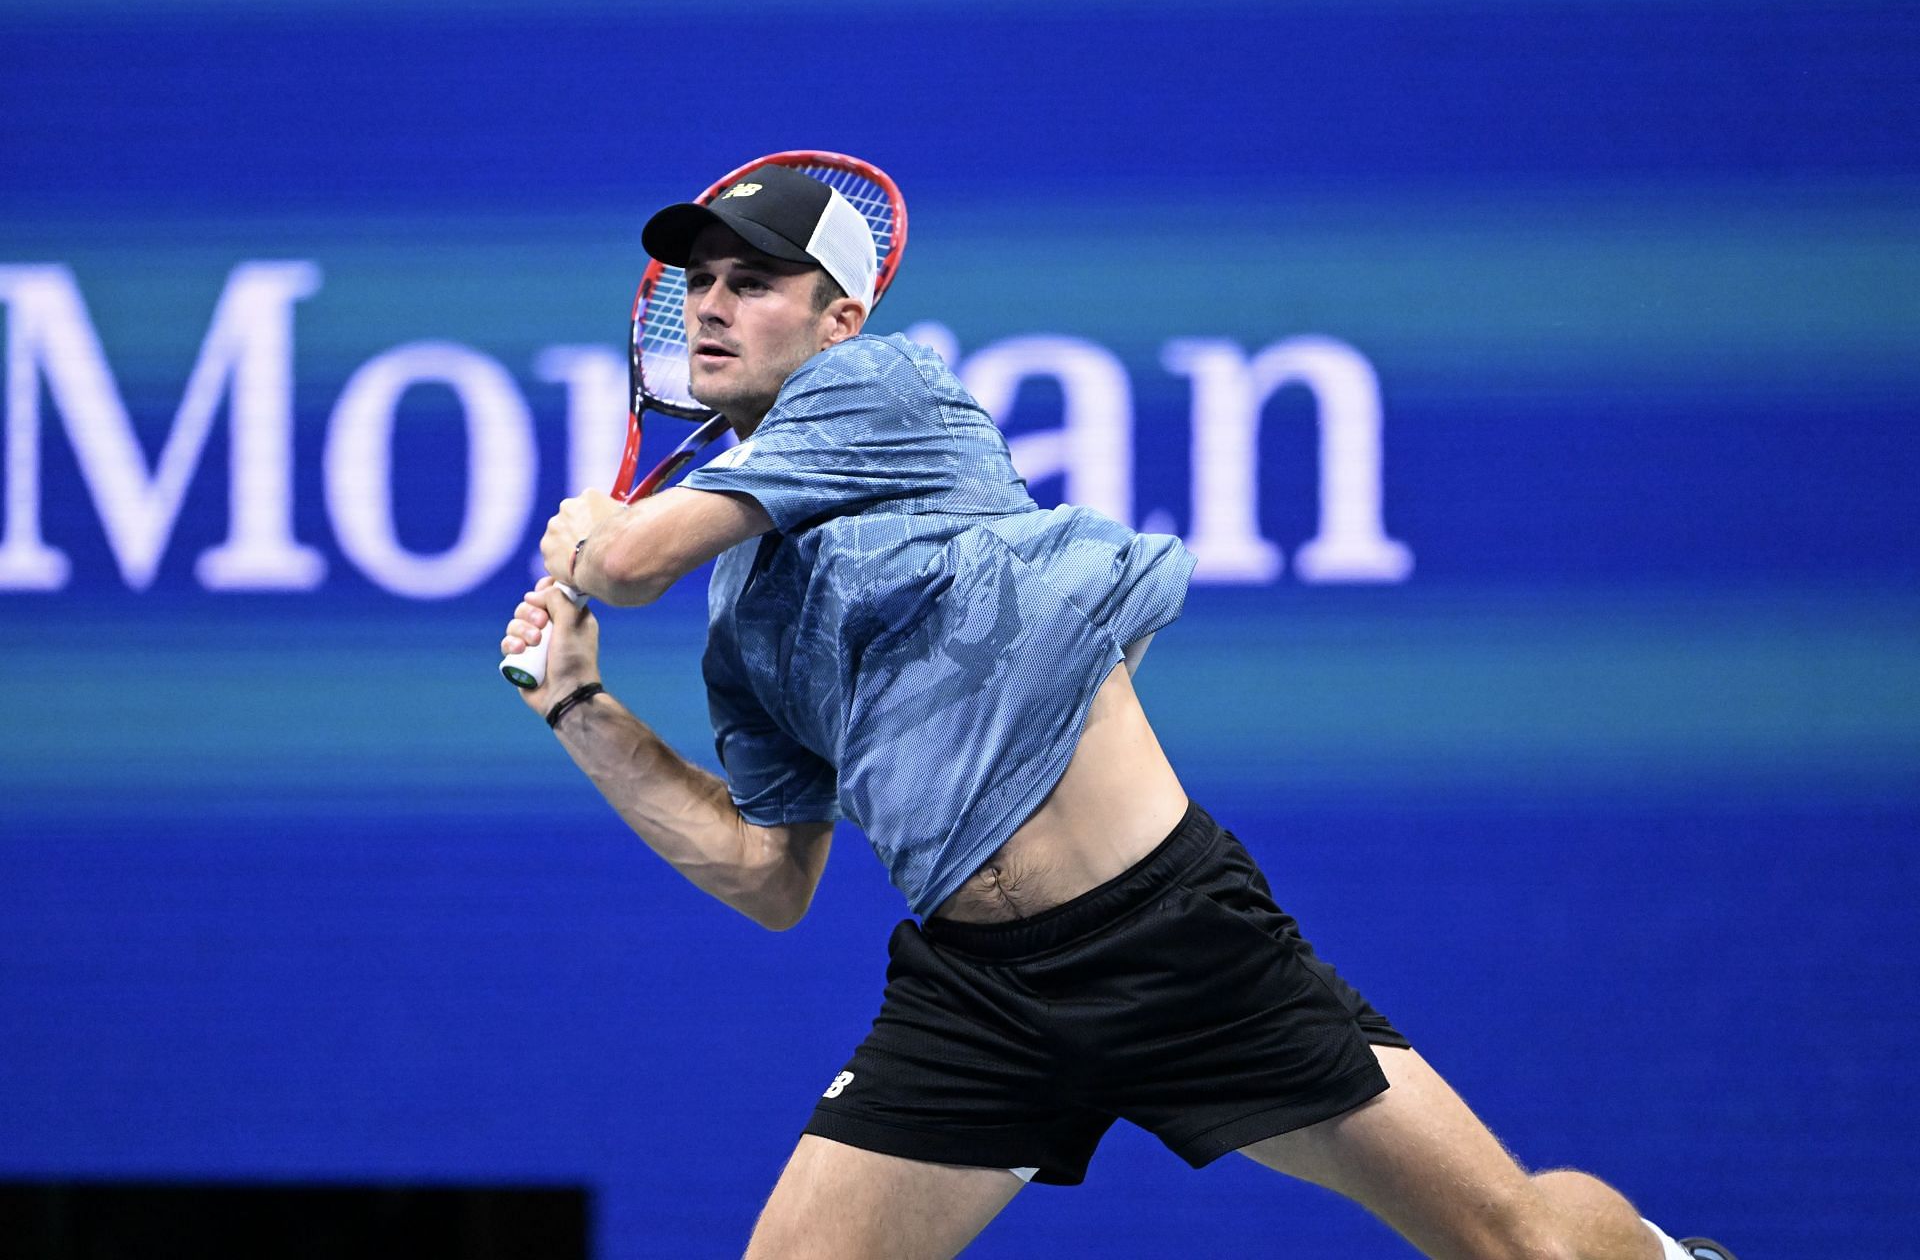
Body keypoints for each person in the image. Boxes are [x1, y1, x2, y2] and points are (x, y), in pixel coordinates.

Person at [499, 165, 1735, 1260]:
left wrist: (593, 538)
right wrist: (581, 704)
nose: (712, 303)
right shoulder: (747, 614)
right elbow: (768, 874)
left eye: (756, 280)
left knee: (1516, 1246)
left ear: (840, 317)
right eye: (699, 279)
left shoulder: (883, 388)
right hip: (975, 990)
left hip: (1175, 940)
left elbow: (635, 559)